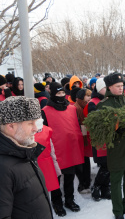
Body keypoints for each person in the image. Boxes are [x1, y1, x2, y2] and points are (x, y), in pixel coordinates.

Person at [97, 72, 125, 219]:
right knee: (116, 181)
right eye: (117, 86)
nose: (121, 88)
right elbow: (101, 129)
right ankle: (118, 211)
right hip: (116, 148)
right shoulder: (104, 105)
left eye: (122, 85)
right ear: (109, 87)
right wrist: (116, 129)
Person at [0, 96, 53, 218]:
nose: (36, 129)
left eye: (36, 122)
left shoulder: (23, 150)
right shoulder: (3, 167)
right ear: (11, 126)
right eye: (30, 123)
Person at [42, 82, 84, 216]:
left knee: (70, 177)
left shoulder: (71, 108)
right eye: (58, 93)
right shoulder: (45, 111)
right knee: (56, 179)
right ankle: (57, 203)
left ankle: (70, 200)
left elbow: (76, 125)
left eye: (62, 93)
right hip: (55, 150)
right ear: (52, 95)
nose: (61, 96)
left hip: (70, 148)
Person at [86, 78, 111, 201]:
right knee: (105, 164)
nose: (107, 90)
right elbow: (93, 121)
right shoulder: (93, 102)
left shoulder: (109, 100)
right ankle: (96, 186)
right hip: (100, 139)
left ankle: (106, 189)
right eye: (105, 88)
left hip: (110, 137)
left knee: (110, 164)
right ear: (99, 89)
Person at [35, 118, 61, 193]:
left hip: (46, 163)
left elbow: (52, 151)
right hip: (42, 164)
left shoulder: (46, 131)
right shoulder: (46, 130)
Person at [74, 88, 93, 194]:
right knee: (81, 161)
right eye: (87, 95)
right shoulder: (76, 108)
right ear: (81, 97)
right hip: (79, 137)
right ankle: (83, 182)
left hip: (84, 136)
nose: (89, 97)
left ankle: (87, 180)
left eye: (90, 95)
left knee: (85, 160)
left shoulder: (85, 106)